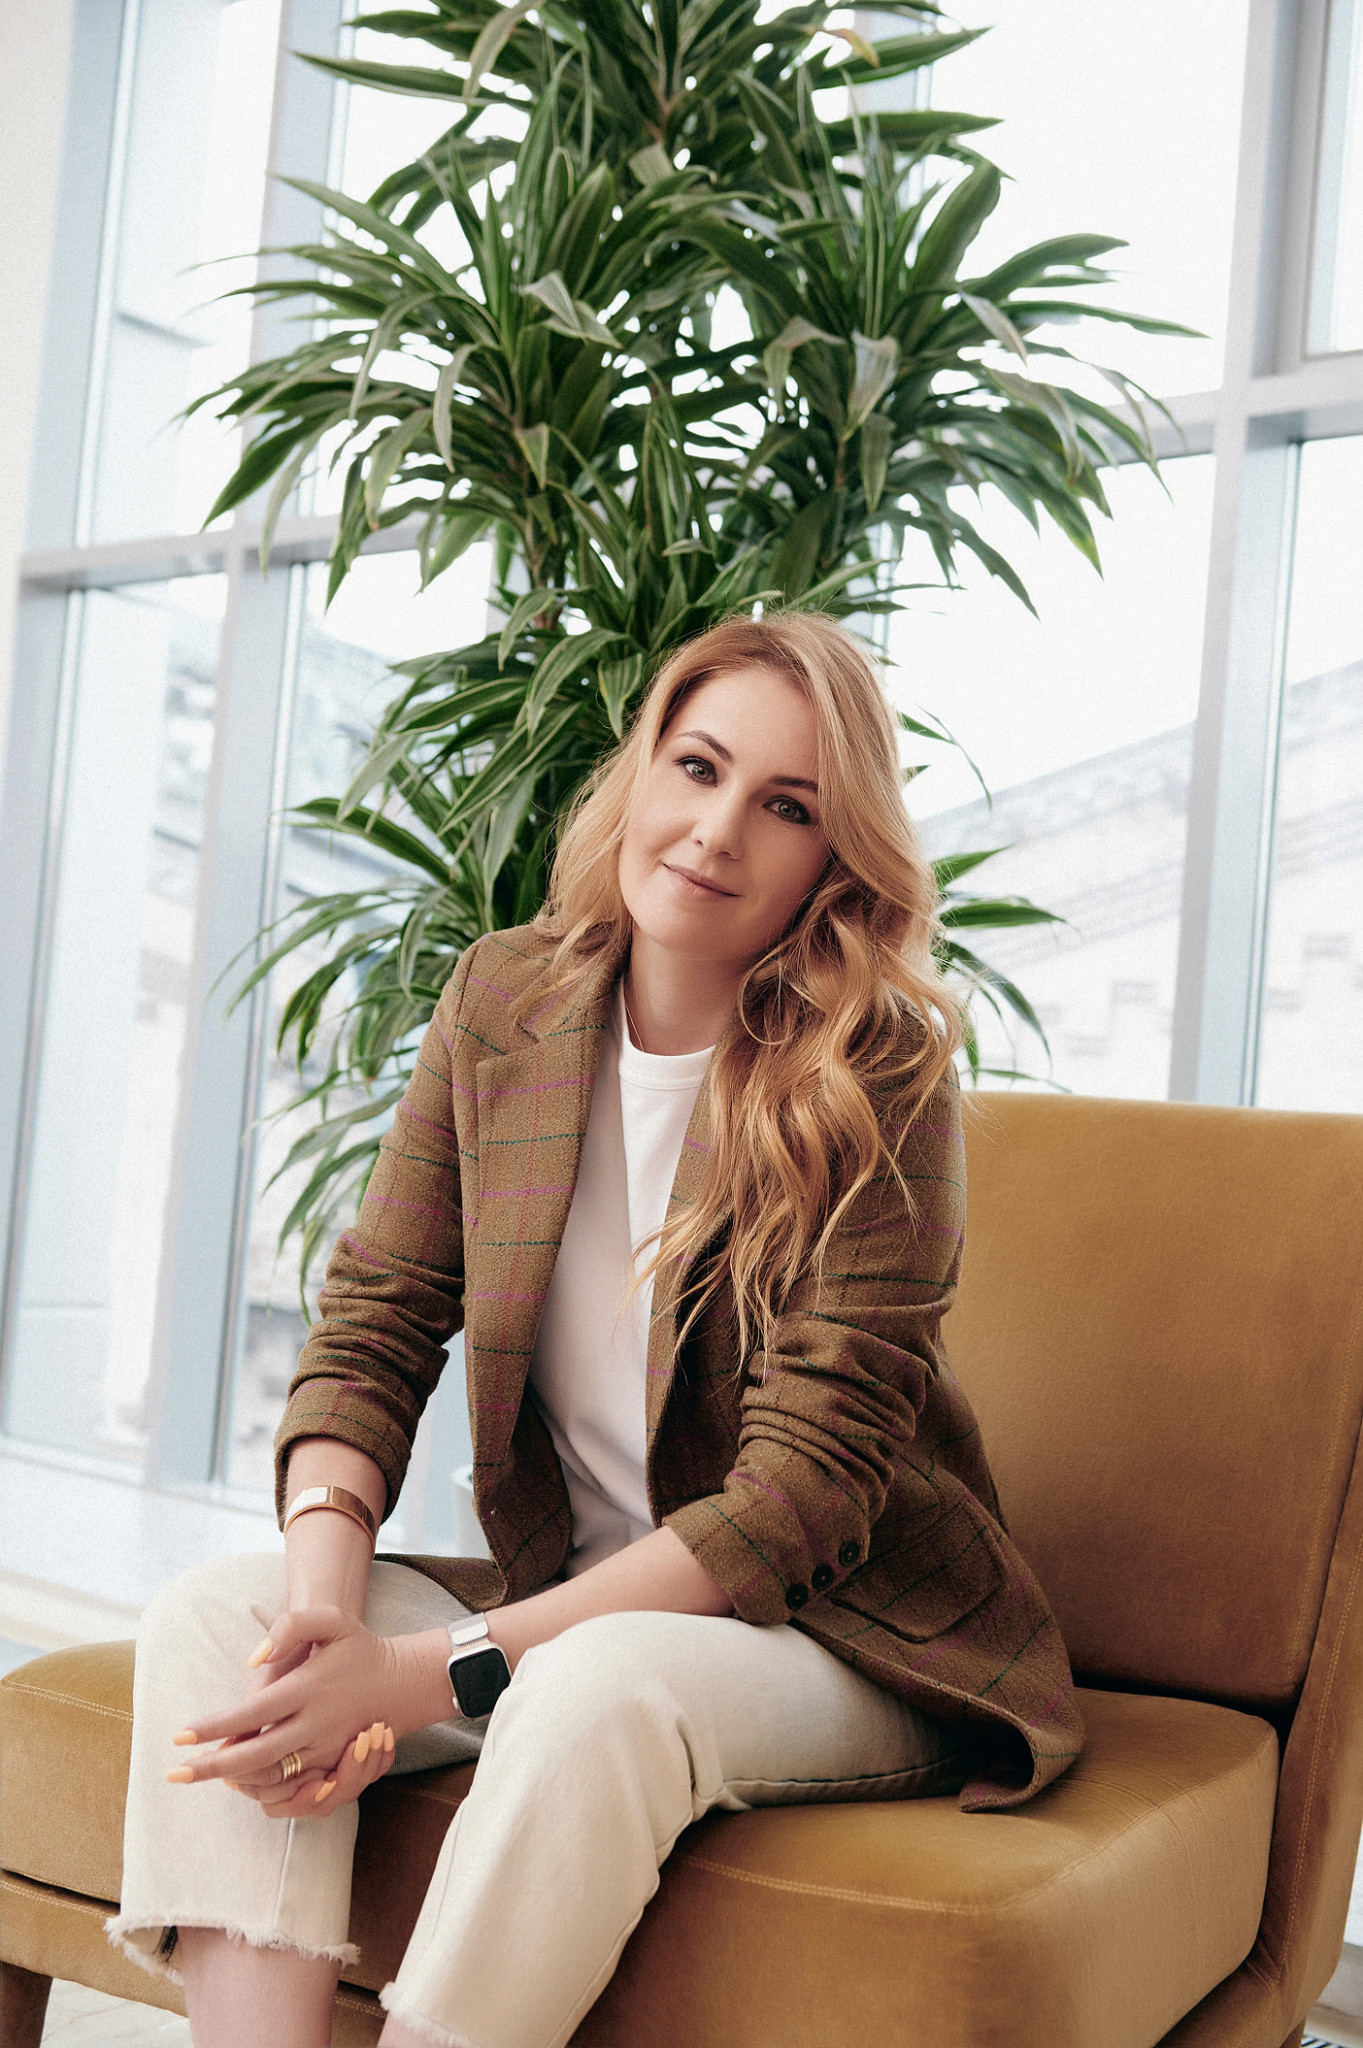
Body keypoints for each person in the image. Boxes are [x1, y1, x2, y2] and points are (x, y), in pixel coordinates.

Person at [108, 611, 1083, 2048]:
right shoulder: (507, 1001)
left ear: (836, 861)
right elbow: (377, 1322)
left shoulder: (876, 1074)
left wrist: (422, 1671)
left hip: (838, 1631)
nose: (716, 829)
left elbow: (799, 1500)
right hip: (577, 1595)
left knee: (591, 1682)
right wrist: (327, 1613)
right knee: (221, 1627)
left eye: (788, 807)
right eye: (698, 767)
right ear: (642, 770)